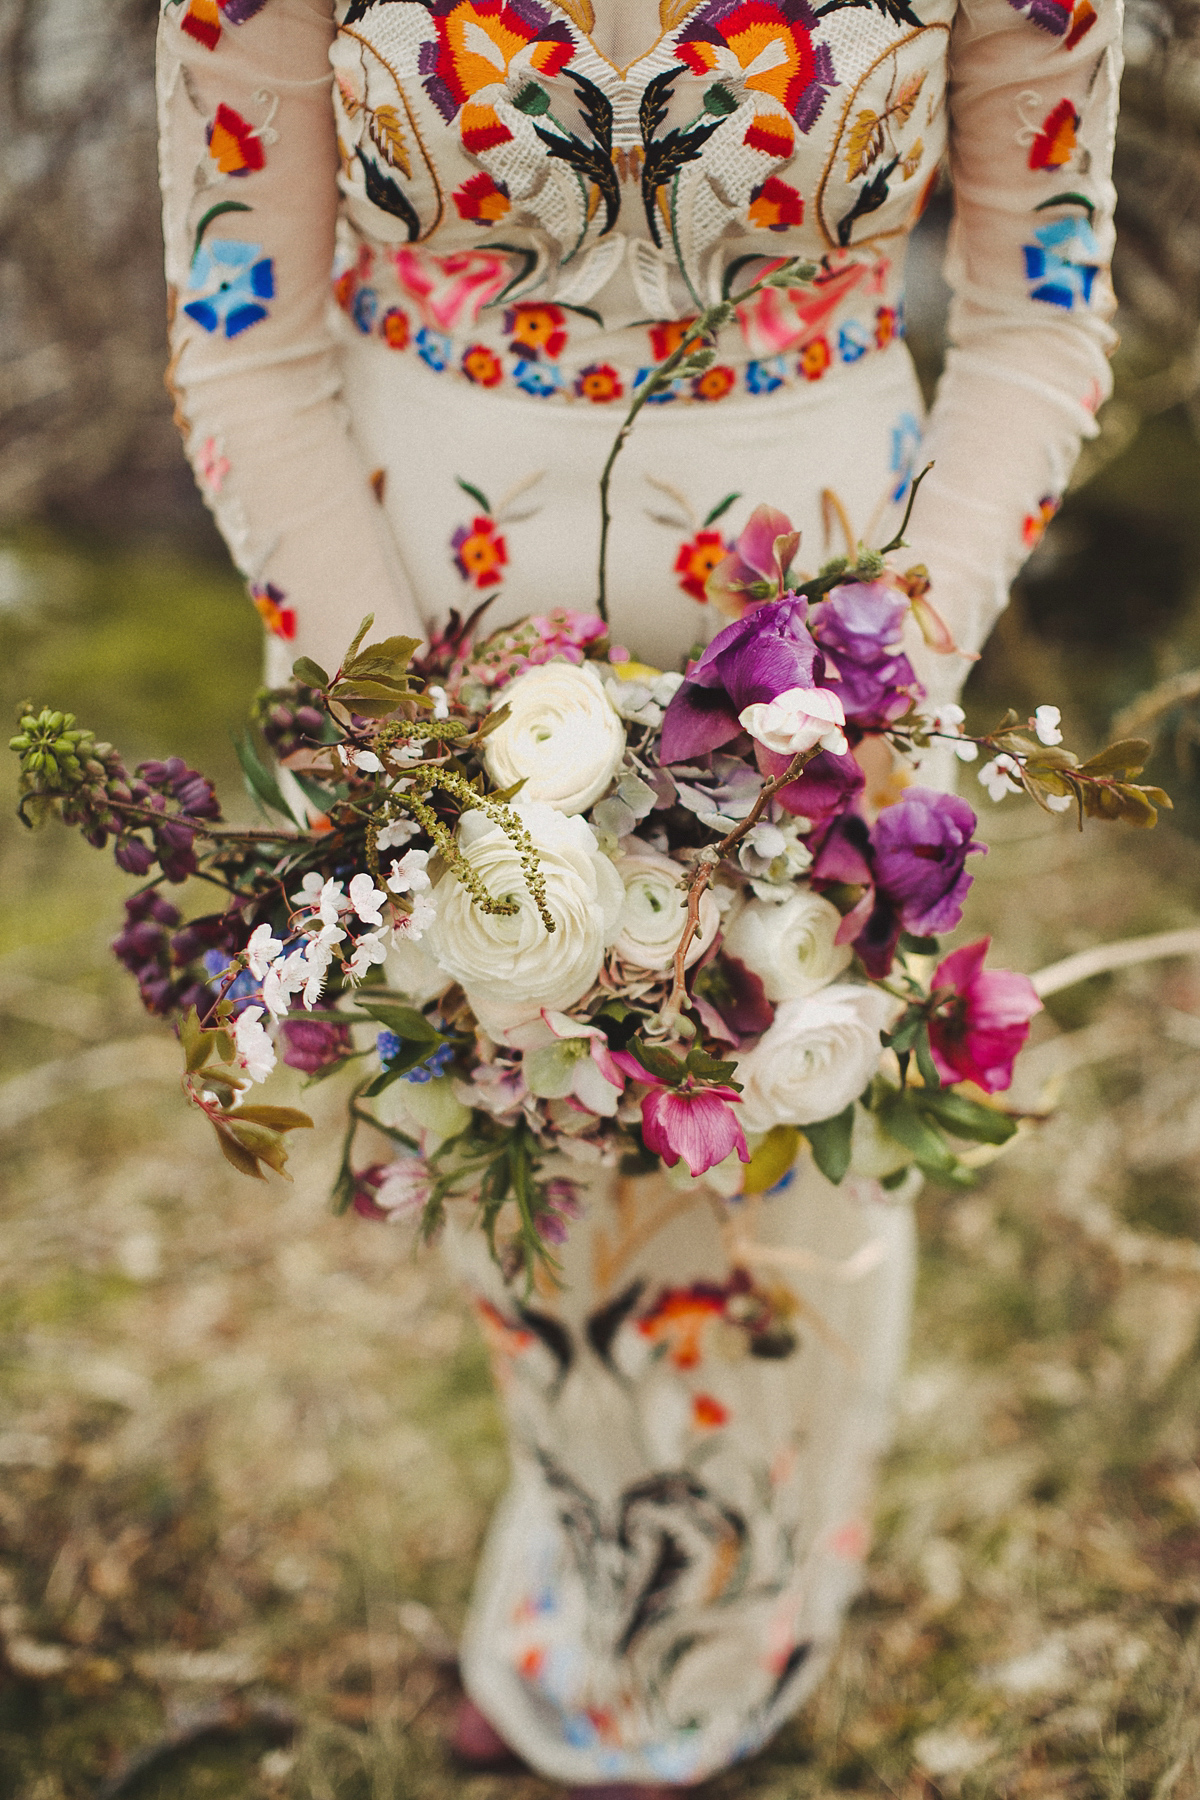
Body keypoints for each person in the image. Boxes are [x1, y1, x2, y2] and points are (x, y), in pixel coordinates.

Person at [156, 0, 1120, 1790]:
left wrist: (882, 678)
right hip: (410, 684)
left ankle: (717, 1655)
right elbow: (243, 341)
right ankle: (594, 1596)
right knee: (532, 1174)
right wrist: (423, 763)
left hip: (834, 696)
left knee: (788, 1183)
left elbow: (1042, 311)